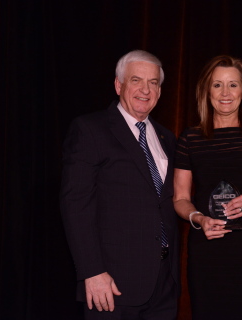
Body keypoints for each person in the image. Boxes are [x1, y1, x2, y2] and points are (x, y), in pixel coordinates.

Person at [60, 50, 179, 320]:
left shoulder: (167, 138)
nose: (145, 89)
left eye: (153, 83)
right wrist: (91, 271)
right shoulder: (90, 129)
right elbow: (75, 203)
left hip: (163, 285)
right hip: (111, 285)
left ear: (160, 91)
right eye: (136, 80)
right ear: (118, 85)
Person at [173, 55, 242, 319]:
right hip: (209, 253)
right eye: (217, 85)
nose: (225, 93)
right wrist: (199, 219)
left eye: (233, 85)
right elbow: (179, 198)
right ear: (206, 91)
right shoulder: (190, 138)